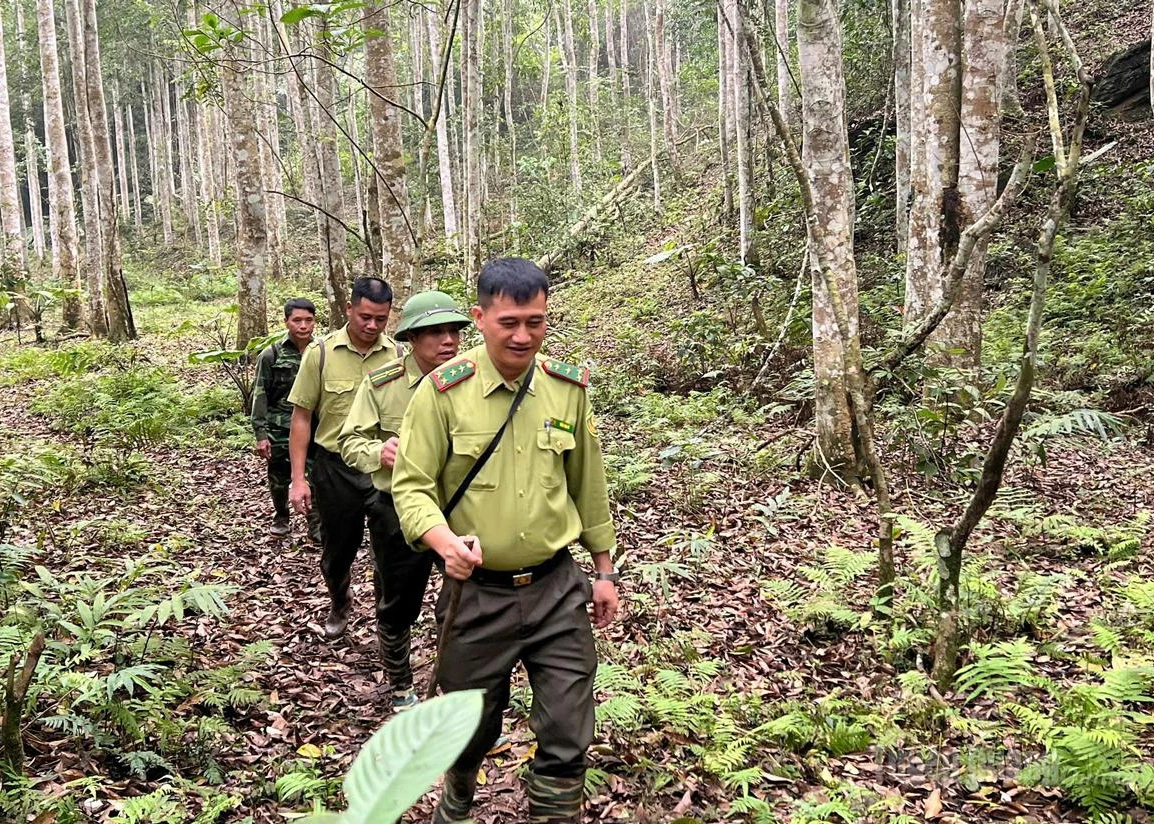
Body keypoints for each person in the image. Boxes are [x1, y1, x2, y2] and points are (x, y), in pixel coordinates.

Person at [392, 258, 620, 824]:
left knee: (569, 726)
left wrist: (604, 570)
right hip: (477, 596)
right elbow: (412, 487)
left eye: (536, 322)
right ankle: (459, 794)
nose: (523, 336)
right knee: (471, 724)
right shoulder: (442, 393)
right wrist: (445, 543)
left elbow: (587, 482)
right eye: (509, 322)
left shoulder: (567, 389)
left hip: (556, 587)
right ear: (480, 318)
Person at [337, 291, 472, 709]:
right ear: (412, 337)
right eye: (434, 332)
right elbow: (349, 441)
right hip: (395, 510)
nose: (447, 341)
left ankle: (452, 679)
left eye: (453, 331)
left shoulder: (473, 381)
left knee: (461, 599)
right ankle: (400, 683)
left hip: (458, 508)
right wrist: (381, 453)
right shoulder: (383, 383)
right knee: (398, 599)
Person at [287, 278, 401, 642]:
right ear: (349, 309)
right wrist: (298, 479)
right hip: (335, 468)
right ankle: (340, 599)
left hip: (384, 468)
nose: (371, 326)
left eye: (380, 319)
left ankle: (388, 620)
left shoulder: (398, 356)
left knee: (389, 549)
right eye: (365, 317)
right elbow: (302, 418)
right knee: (337, 550)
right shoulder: (320, 354)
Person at [251, 298, 322, 541]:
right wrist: (261, 434)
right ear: (286, 322)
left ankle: (315, 524)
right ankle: (281, 516)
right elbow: (260, 394)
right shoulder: (271, 355)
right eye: (297, 320)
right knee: (279, 477)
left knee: (315, 474)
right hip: (279, 428)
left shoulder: (321, 352)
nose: (303, 326)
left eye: (308, 320)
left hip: (315, 425)